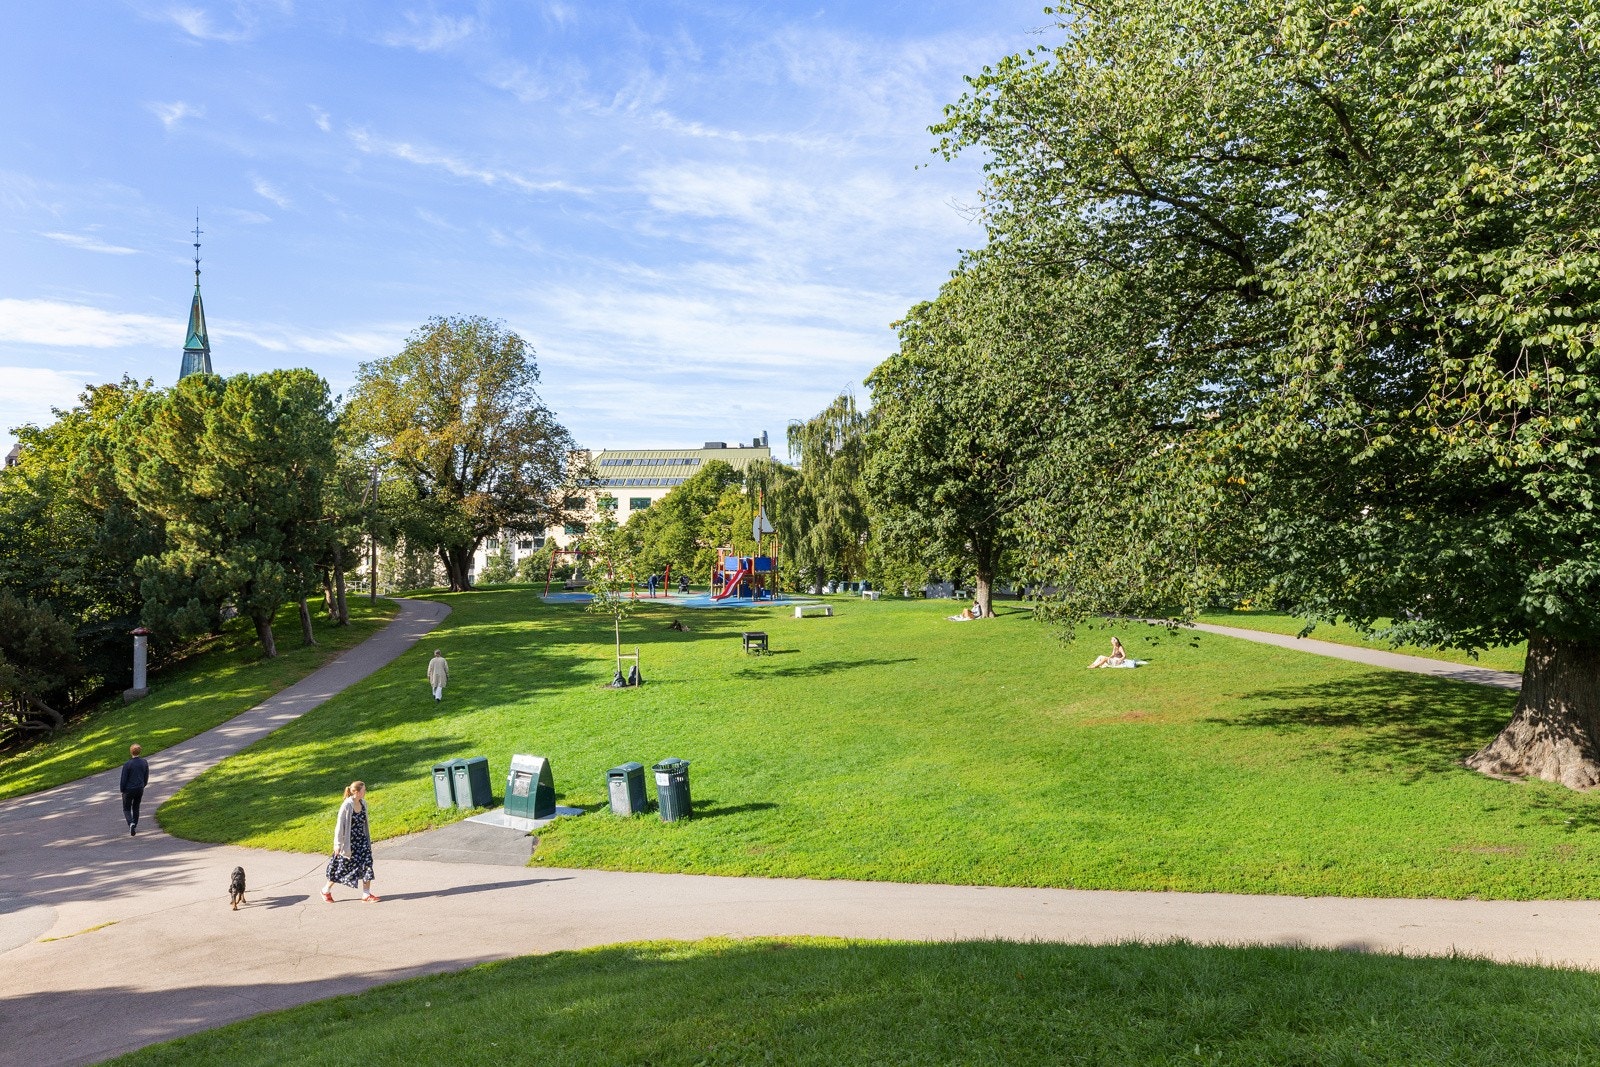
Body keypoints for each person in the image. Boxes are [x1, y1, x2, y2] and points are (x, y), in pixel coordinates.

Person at [321, 781, 378, 903]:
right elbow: (339, 825)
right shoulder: (347, 805)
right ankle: (326, 890)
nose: (365, 792)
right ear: (356, 792)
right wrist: (337, 844)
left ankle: (366, 894)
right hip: (349, 843)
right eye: (363, 790)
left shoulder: (363, 803)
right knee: (342, 868)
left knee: (367, 865)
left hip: (362, 841)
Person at [119, 743, 149, 836]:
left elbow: (123, 779)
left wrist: (122, 789)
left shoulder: (128, 764)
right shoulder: (144, 762)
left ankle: (130, 823)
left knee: (126, 808)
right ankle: (134, 824)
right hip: (139, 788)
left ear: (130, 752)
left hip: (128, 789)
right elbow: (146, 775)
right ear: (140, 751)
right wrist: (143, 785)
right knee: (136, 807)